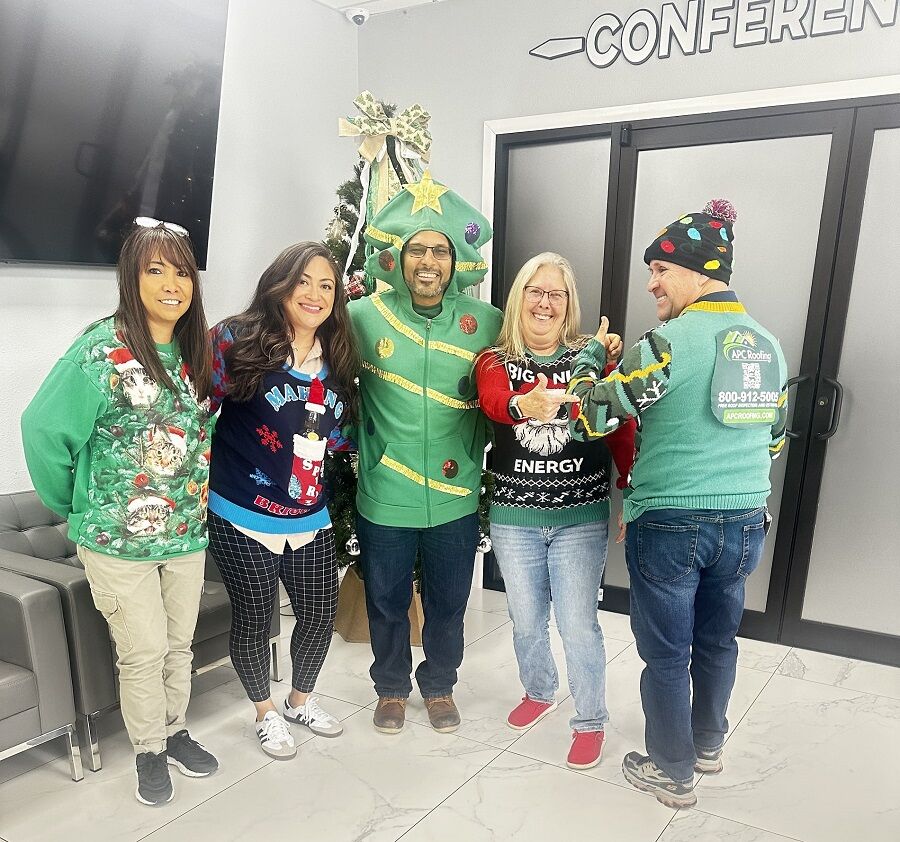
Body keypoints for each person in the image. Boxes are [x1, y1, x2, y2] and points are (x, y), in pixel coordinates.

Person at [567, 200, 788, 808]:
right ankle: (708, 744)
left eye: (661, 270)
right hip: (745, 523)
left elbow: (592, 416)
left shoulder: (664, 344)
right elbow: (773, 437)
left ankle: (672, 769)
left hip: (670, 524)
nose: (652, 283)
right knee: (718, 639)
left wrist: (592, 357)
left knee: (666, 653)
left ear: (698, 272)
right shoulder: (767, 344)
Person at [22, 218, 218, 806]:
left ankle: (176, 729)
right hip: (116, 543)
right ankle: (149, 752)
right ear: (129, 278)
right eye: (154, 269)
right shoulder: (100, 349)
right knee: (144, 650)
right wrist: (74, 504)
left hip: (184, 534)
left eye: (181, 270)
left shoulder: (194, 351)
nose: (171, 283)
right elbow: (42, 428)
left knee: (179, 645)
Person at [350, 171, 503, 734]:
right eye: (417, 249)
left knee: (448, 603)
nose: (429, 262)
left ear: (456, 260)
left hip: (456, 495)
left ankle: (439, 684)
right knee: (386, 601)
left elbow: (528, 373)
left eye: (440, 250)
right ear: (398, 257)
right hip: (385, 494)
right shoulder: (363, 317)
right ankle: (390, 687)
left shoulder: (486, 323)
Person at [474, 252, 635, 770]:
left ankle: (590, 719)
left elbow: (621, 428)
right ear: (518, 298)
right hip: (514, 518)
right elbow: (495, 401)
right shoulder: (492, 361)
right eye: (535, 292)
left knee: (577, 623)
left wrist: (629, 489)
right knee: (524, 620)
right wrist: (527, 406)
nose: (544, 302)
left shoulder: (592, 360)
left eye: (556, 294)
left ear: (569, 306)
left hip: (580, 518)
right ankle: (539, 690)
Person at [206, 242, 358, 760]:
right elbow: (192, 408)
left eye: (327, 286)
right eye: (303, 282)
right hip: (240, 513)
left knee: (319, 613)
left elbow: (340, 434)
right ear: (280, 284)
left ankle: (300, 701)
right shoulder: (236, 341)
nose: (314, 295)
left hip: (309, 516)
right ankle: (265, 713)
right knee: (253, 618)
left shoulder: (336, 359)